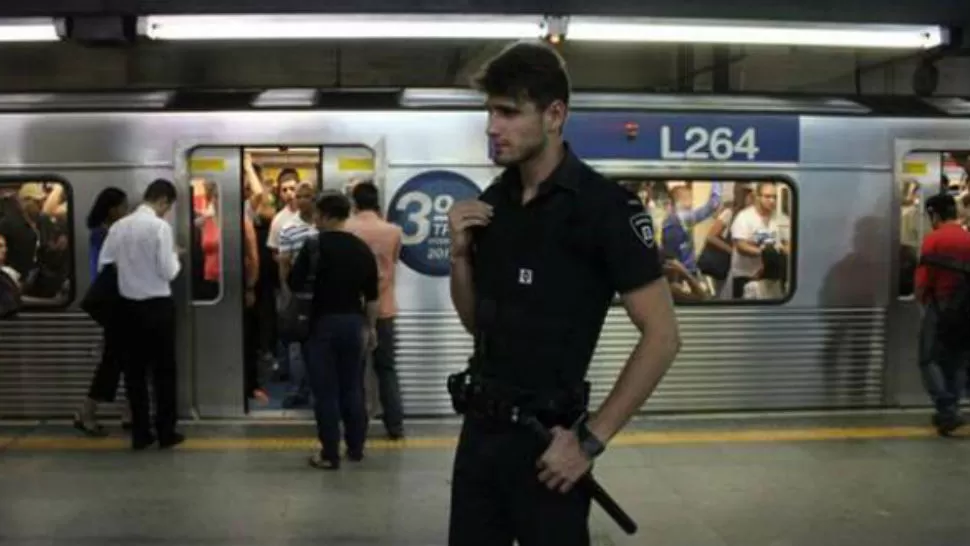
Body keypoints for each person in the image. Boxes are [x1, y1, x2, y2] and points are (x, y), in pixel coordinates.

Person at [445, 41, 681, 546]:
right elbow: (475, 322)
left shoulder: (604, 209)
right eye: (490, 111)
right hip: (480, 440)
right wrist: (460, 256)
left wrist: (590, 441)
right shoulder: (494, 202)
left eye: (508, 112)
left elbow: (663, 336)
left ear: (555, 115)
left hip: (550, 446)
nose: (492, 126)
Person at [289, 192, 379, 470]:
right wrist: (371, 328)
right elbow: (372, 296)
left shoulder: (313, 246)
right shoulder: (362, 249)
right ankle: (356, 448)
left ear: (327, 216)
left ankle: (330, 453)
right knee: (353, 387)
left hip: (320, 325)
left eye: (317, 214)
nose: (315, 219)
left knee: (325, 391)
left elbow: (294, 283)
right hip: (353, 324)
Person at [98, 179, 184, 450]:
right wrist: (176, 255)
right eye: (167, 207)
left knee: (134, 375)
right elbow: (168, 271)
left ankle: (140, 434)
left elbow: (105, 263)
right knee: (163, 374)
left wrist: (130, 269)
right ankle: (166, 432)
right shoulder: (160, 227)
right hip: (157, 308)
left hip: (127, 309)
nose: (166, 212)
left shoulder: (119, 226)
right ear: (164, 201)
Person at [345, 181, 406, 439]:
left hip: (352, 309)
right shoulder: (393, 231)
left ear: (354, 203)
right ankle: (395, 425)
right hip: (385, 309)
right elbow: (393, 262)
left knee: (354, 371)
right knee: (386, 369)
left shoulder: (346, 229)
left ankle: (356, 426)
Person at [74, 187, 131, 435]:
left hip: (119, 304)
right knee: (113, 360)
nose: (126, 211)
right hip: (114, 305)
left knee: (125, 359)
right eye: (123, 206)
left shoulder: (106, 232)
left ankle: (128, 410)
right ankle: (87, 411)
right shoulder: (101, 234)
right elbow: (103, 269)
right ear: (112, 209)